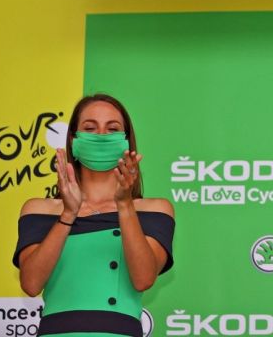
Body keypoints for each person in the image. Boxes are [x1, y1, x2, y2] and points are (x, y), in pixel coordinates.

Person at [14, 93, 175, 337]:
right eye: (90, 128)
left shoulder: (153, 210)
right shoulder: (39, 209)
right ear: (73, 139)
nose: (101, 136)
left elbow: (143, 279)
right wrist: (68, 214)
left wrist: (124, 205)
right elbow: (31, 283)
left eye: (112, 129)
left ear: (126, 141)